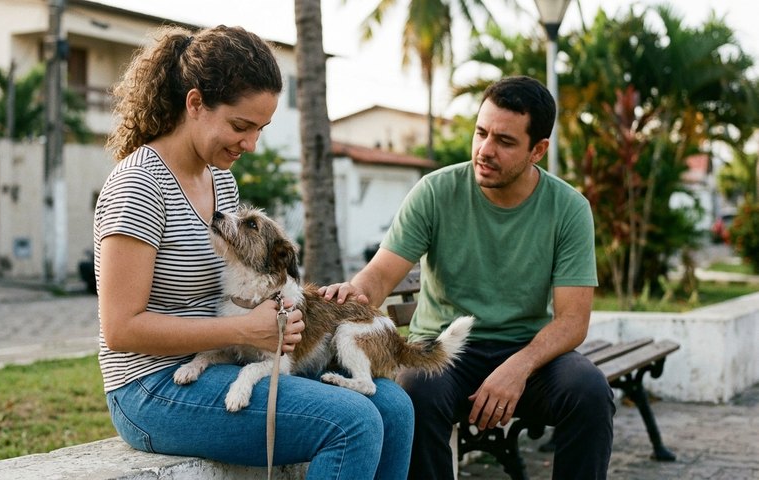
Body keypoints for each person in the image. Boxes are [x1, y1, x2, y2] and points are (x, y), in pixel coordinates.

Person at [95, 25, 414, 480]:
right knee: (353, 422)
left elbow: (252, 281)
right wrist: (245, 328)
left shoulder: (220, 181)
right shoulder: (139, 185)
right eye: (240, 126)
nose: (250, 144)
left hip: (228, 360)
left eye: (260, 129)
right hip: (152, 387)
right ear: (194, 104)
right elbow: (121, 329)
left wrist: (294, 308)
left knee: (395, 407)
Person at [320, 75, 615, 479]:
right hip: (443, 350)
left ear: (538, 150)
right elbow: (381, 275)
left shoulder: (568, 208)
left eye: (505, 141)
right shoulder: (435, 192)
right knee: (414, 394)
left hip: (527, 351)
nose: (485, 150)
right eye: (481, 133)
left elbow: (572, 321)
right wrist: (355, 292)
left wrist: (519, 366)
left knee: (591, 393)